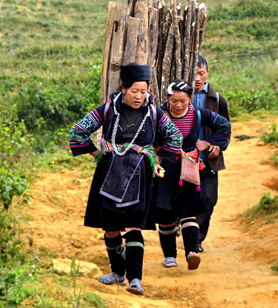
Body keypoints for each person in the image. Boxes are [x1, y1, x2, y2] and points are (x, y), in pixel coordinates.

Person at [69, 63, 182, 296]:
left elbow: (175, 137)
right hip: (109, 172)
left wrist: (155, 158)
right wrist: (97, 153)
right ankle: (117, 273)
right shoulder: (108, 109)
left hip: (139, 176)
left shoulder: (155, 113)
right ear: (123, 89)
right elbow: (77, 131)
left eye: (144, 91)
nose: (139, 96)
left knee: (133, 226)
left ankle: (135, 279)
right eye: (134, 91)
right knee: (110, 228)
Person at [155, 80, 231, 270]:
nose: (178, 105)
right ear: (168, 99)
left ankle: (192, 252)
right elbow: (148, 135)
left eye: (182, 100)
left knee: (189, 210)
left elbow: (224, 125)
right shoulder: (158, 114)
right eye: (174, 101)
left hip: (188, 169)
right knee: (166, 213)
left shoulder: (198, 114)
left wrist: (207, 142)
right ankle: (170, 256)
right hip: (165, 168)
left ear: (190, 99)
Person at [193, 56, 230, 252]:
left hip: (208, 160)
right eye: (194, 74)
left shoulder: (217, 99)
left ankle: (197, 238)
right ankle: (182, 231)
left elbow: (225, 128)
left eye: (201, 73)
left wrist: (217, 144)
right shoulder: (182, 98)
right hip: (184, 159)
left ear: (207, 73)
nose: (198, 78)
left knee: (208, 199)